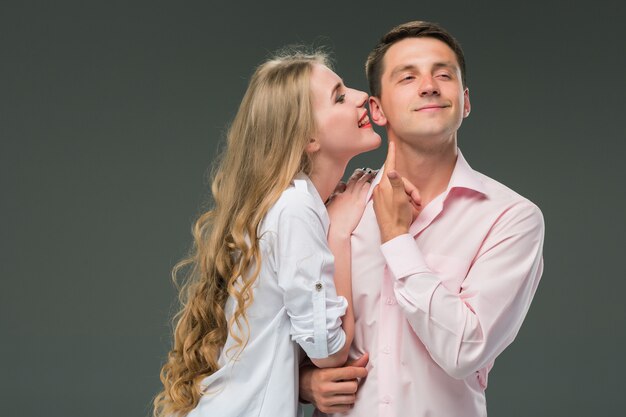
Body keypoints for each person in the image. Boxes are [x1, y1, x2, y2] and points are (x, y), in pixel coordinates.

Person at [299, 21, 545, 417]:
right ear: (376, 109)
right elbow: (277, 327)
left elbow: (465, 350)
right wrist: (304, 382)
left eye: (443, 75)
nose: (429, 86)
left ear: (465, 102)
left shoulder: (511, 218)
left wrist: (396, 237)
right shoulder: (333, 208)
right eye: (408, 77)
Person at [153, 50, 381, 417]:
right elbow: (330, 350)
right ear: (308, 138)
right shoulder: (295, 208)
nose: (359, 97)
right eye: (339, 96)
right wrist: (338, 235)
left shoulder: (292, 204)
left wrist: (304, 383)